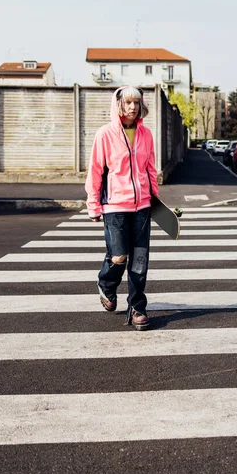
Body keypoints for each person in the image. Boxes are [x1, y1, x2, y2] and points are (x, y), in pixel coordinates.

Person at [85, 85, 159, 331]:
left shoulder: (145, 135)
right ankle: (106, 283)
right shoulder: (105, 134)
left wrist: (155, 200)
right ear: (118, 105)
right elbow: (96, 171)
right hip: (115, 206)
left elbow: (150, 168)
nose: (132, 107)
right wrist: (93, 204)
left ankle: (137, 307)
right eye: (128, 103)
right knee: (118, 258)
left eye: (136, 103)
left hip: (142, 207)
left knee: (139, 261)